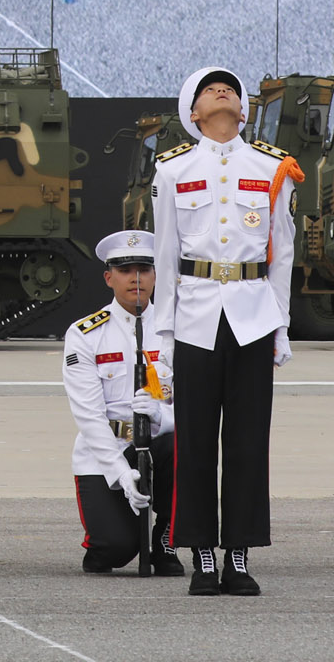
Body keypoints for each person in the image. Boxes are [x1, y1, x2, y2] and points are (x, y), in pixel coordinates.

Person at [152, 67, 300, 596]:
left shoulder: (271, 166)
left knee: (246, 442)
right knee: (194, 442)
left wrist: (280, 325)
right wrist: (161, 336)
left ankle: (237, 555)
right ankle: (202, 559)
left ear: (244, 110)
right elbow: (165, 256)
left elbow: (280, 253)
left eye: (231, 89)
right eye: (210, 89)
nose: (223, 92)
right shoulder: (171, 170)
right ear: (192, 114)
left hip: (253, 315)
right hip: (194, 317)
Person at [65, 230, 179, 577]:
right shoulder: (86, 334)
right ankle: (112, 536)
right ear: (108, 277)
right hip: (107, 449)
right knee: (115, 550)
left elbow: (193, 404)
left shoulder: (178, 328)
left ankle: (167, 539)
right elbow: (89, 415)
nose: (136, 278)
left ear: (156, 275)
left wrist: (161, 413)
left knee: (188, 445)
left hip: (160, 440)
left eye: (144, 269)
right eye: (126, 270)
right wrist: (120, 475)